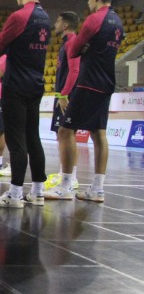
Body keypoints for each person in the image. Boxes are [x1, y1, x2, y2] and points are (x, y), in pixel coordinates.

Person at [44, 0, 123, 202]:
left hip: (88, 83)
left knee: (65, 131)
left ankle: (66, 185)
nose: (88, 0)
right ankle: (97, 189)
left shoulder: (94, 20)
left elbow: (75, 50)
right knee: (99, 133)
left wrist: (84, 45)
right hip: (107, 83)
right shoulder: (117, 21)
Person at [0, 0, 50, 208]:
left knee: (16, 139)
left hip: (16, 86)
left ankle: (14, 195)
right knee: (33, 137)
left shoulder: (19, 16)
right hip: (36, 84)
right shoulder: (45, 17)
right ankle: (38, 191)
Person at [44, 12, 82, 194]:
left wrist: (64, 94)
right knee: (64, 134)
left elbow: (74, 71)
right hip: (64, 94)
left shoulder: (73, 42)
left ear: (65, 24)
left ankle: (70, 178)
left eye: (58, 20)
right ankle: (66, 174)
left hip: (68, 95)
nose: (55, 24)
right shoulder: (66, 43)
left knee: (65, 133)